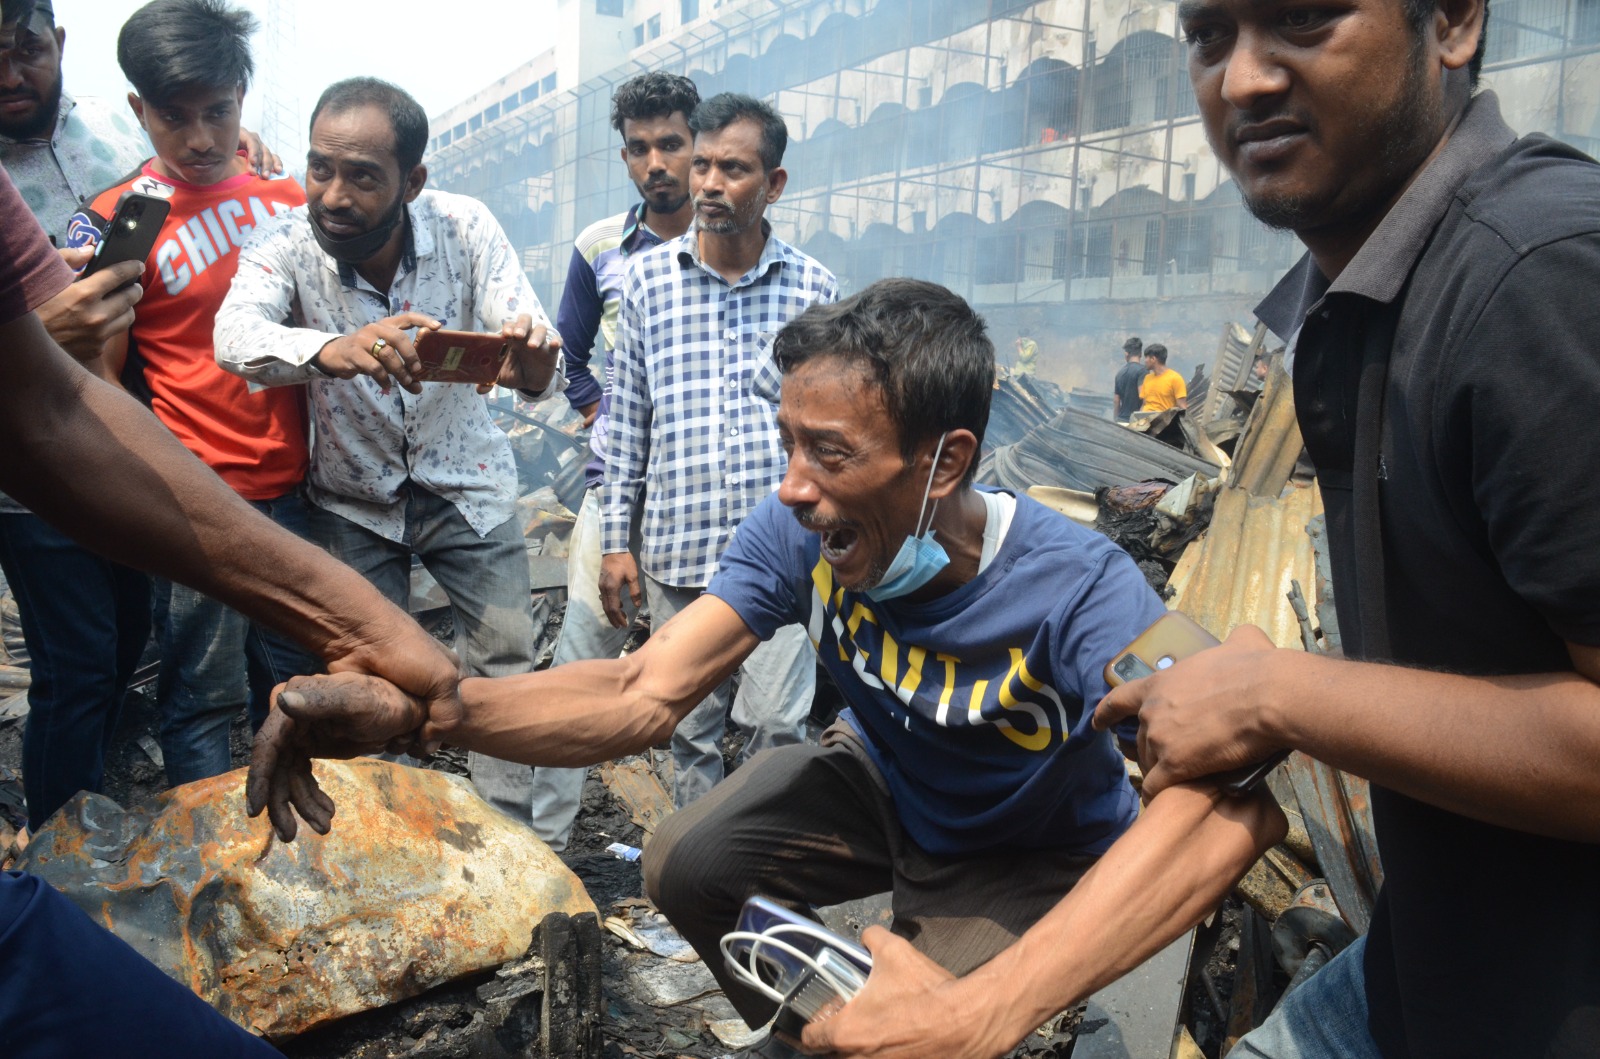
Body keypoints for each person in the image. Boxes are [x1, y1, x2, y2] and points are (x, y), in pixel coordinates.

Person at [246, 279, 1284, 1059]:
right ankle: (807, 1040)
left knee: (930, 1031)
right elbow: (640, 690)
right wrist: (433, 713)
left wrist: (985, 1013)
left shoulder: (1078, 586)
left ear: (947, 463)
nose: (791, 488)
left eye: (829, 454)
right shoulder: (805, 530)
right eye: (786, 444)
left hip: (1026, 849)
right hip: (883, 780)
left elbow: (1228, 803)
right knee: (689, 864)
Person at [1096, 0, 1600, 1055]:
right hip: (1429, 963)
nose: (1240, 80)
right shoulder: (1368, 287)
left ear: (1454, 22)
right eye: (1207, 36)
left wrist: (1280, 694)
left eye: (1301, 18)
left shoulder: (1536, 276)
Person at [0, 158, 455, 1057]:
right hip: (205, 490)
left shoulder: (275, 208)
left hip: (264, 493)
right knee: (139, 684)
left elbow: (54, 407)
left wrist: (355, 627)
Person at [213, 77, 564, 808]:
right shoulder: (282, 242)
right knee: (371, 682)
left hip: (468, 490)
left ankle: (519, 850)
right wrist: (337, 347)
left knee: (505, 671)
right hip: (352, 500)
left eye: (363, 177)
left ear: (414, 181)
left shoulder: (464, 228)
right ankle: (399, 838)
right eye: (321, 168)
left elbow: (528, 348)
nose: (335, 195)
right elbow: (233, 338)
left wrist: (532, 355)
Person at [65, 0, 318, 788]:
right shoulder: (116, 223)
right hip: (199, 499)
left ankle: (319, 865)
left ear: (243, 96)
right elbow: (99, 376)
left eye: (219, 111)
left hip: (302, 489)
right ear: (139, 108)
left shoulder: (289, 203)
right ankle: (201, 861)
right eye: (175, 117)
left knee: (303, 688)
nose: (201, 138)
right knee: (200, 700)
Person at [598, 92, 835, 808]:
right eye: (701, 164)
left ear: (774, 184)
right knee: (688, 731)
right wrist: (616, 543)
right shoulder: (646, 283)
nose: (706, 183)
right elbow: (626, 420)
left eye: (732, 168)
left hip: (786, 555)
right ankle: (694, 894)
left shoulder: (814, 288)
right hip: (678, 553)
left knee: (778, 725)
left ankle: (766, 884)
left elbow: (831, 431)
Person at [515, 70, 700, 849]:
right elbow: (569, 352)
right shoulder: (599, 247)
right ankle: (548, 848)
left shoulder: (725, 239)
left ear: (698, 145)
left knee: (703, 685)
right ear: (624, 157)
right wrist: (598, 412)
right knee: (578, 668)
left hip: (707, 499)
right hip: (616, 491)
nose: (656, 162)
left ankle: (702, 861)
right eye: (639, 149)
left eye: (671, 144)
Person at [1137, 342, 1186, 412]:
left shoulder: (1175, 378)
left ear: (1153, 359)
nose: (1145, 361)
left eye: (1146, 358)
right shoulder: (1147, 378)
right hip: (1146, 421)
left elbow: (1182, 406)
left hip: (1164, 421)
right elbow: (1144, 404)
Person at [1112, 335, 1145, 422]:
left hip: (1122, 420)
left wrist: (1115, 420)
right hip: (1136, 421)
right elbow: (1143, 397)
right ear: (1140, 354)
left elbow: (1116, 401)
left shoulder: (1120, 373)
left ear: (1126, 354)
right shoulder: (1143, 371)